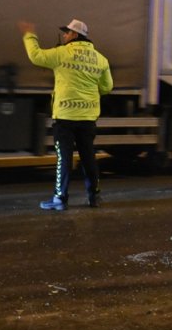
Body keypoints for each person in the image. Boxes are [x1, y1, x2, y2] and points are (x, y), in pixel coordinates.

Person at [19, 18, 113, 210]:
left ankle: (60, 199)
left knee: (64, 158)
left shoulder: (62, 53)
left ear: (76, 35)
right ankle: (94, 197)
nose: (64, 35)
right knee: (88, 158)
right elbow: (107, 87)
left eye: (67, 32)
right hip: (87, 118)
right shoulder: (101, 59)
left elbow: (36, 56)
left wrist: (29, 35)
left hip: (65, 117)